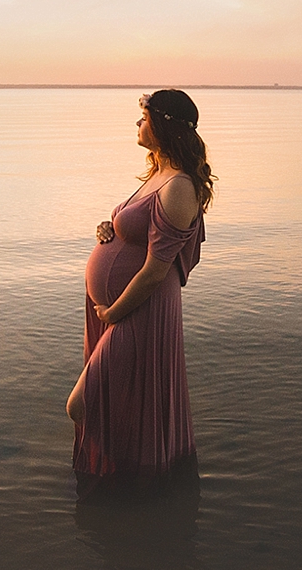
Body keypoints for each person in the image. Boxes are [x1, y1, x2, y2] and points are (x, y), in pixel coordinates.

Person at [67, 88, 214, 488]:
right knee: (120, 396)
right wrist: (110, 229)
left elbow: (154, 270)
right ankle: (124, 481)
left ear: (163, 124)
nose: (137, 124)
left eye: (143, 117)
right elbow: (139, 232)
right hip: (119, 308)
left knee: (81, 404)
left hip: (139, 308)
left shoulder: (179, 186)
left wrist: (115, 311)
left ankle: (132, 482)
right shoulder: (157, 173)